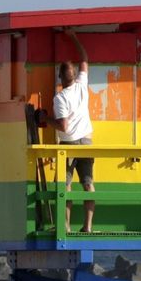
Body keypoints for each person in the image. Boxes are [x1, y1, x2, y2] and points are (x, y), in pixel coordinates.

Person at [51, 29, 95, 232]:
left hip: (68, 145)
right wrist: (74, 36)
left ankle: (66, 226)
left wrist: (45, 119)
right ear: (75, 75)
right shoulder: (81, 86)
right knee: (87, 184)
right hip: (86, 141)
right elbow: (84, 58)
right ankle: (87, 226)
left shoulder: (60, 98)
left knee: (66, 186)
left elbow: (63, 126)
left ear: (60, 77)